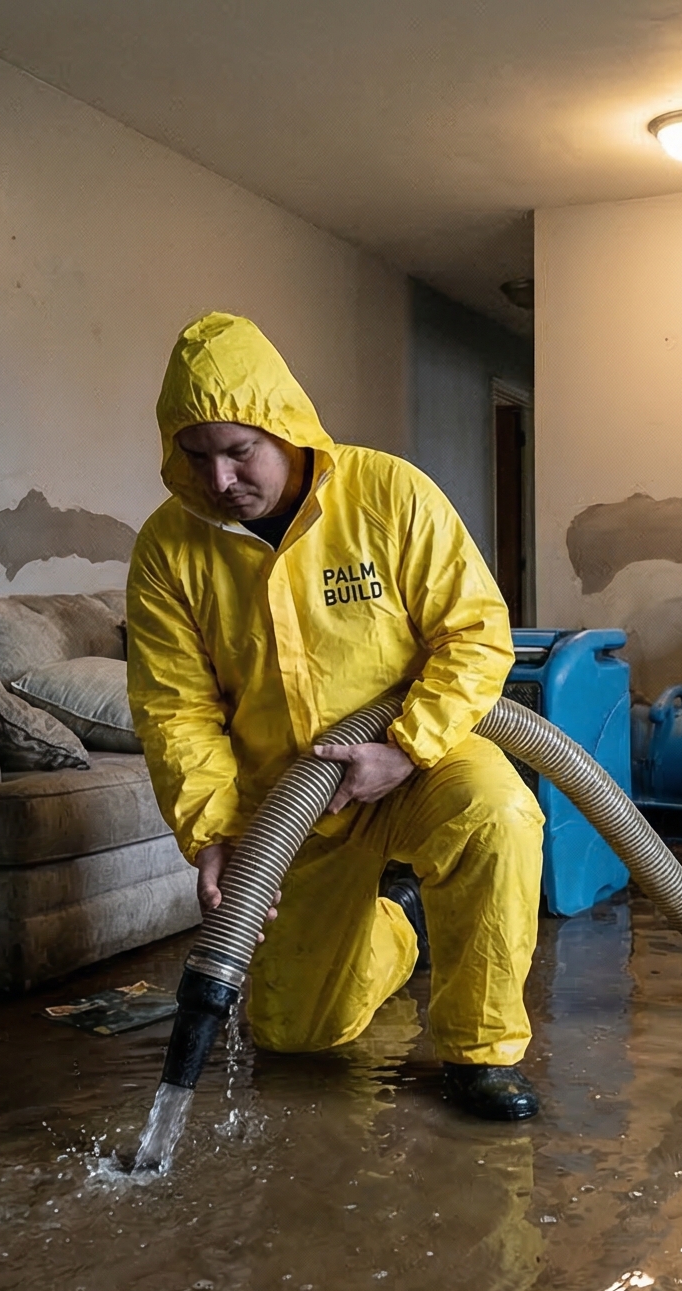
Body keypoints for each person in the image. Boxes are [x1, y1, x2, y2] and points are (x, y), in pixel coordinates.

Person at [123, 312, 546, 1120]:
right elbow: (176, 707)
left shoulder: (387, 494)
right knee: (298, 1038)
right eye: (197, 455)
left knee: (498, 817)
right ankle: (398, 929)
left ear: (283, 429)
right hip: (291, 798)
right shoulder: (170, 550)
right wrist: (213, 832)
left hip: (419, 758)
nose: (220, 481)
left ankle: (478, 1053)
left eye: (239, 450)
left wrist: (407, 746)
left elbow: (476, 633)